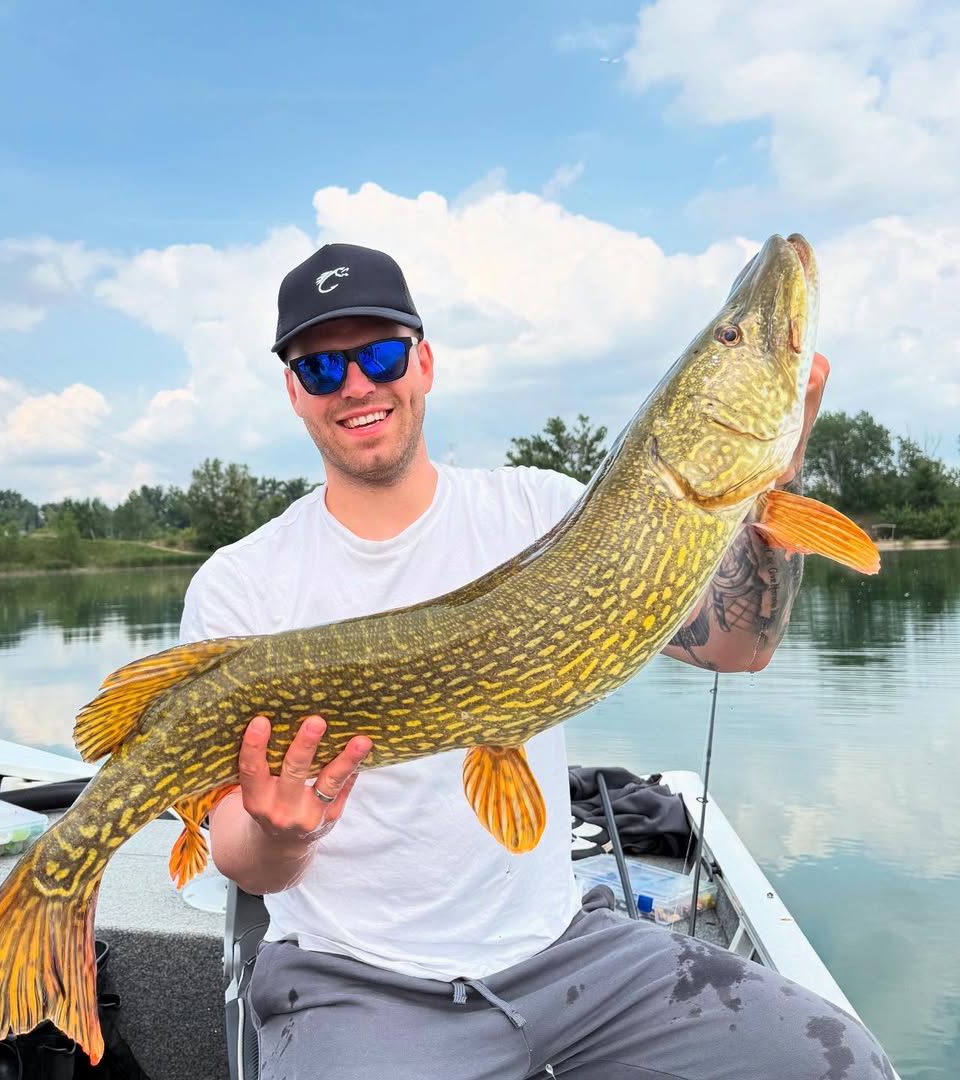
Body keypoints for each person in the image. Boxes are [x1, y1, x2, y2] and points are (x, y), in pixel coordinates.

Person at [180, 244, 895, 1079]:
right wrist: (281, 834)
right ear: (295, 391)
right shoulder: (241, 585)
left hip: (572, 955)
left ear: (423, 363)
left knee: (842, 1065)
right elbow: (237, 851)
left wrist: (781, 472)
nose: (356, 384)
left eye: (379, 355)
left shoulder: (545, 511)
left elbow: (742, 646)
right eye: (321, 366)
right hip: (361, 984)